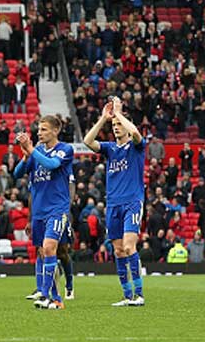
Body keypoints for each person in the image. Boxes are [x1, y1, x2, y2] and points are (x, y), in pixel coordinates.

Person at [82, 96, 146, 307]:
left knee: (129, 246)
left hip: (132, 203)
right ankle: (127, 296)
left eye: (119, 125)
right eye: (114, 125)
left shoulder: (136, 147)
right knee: (118, 250)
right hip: (113, 205)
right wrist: (103, 118)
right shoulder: (111, 148)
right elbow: (87, 141)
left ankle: (139, 294)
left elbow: (136, 133)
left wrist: (118, 113)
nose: (116, 127)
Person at [13, 115, 74, 310]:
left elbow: (52, 165)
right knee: (43, 251)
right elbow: (17, 173)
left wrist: (31, 150)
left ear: (56, 131)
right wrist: (25, 155)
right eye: (39, 130)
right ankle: (56, 299)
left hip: (57, 209)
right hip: (39, 211)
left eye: (44, 129)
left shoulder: (65, 150)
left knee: (49, 248)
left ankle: (47, 295)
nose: (39, 133)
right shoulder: (37, 151)